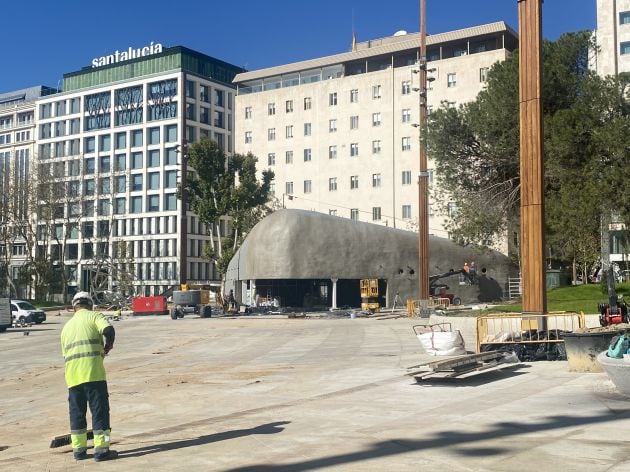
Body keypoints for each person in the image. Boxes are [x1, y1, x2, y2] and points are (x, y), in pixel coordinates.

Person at [61, 291, 117, 462]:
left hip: (72, 379)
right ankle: (102, 450)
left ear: (74, 307)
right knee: (100, 413)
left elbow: (65, 355)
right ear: (90, 304)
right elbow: (108, 330)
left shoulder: (66, 328)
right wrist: (108, 346)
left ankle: (79, 451)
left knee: (77, 414)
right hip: (93, 375)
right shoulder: (94, 316)